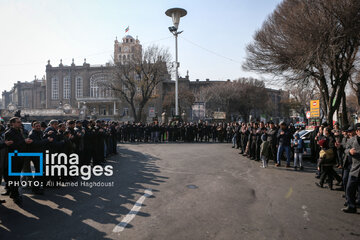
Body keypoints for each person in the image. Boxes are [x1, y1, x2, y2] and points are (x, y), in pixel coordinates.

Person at [5, 117, 33, 206]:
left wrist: (25, 142)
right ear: (12, 123)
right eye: (18, 122)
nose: (20, 123)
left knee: (17, 177)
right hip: (14, 158)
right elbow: (11, 145)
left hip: (20, 157)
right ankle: (15, 195)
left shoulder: (19, 131)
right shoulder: (9, 133)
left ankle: (14, 193)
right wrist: (24, 141)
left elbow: (19, 142)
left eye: (20, 122)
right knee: (14, 177)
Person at [342, 123, 360, 213]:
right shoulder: (352, 140)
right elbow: (345, 149)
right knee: (349, 188)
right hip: (355, 168)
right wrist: (350, 151)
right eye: (359, 130)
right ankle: (351, 206)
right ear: (356, 131)